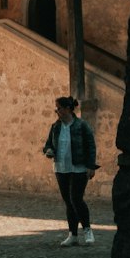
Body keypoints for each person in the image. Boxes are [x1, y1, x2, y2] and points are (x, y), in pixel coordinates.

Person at [42, 95, 99, 246]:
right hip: (61, 167)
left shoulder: (81, 125)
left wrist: (91, 166)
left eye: (59, 108)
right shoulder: (56, 127)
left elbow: (91, 146)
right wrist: (49, 150)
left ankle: (87, 230)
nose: (57, 111)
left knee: (76, 199)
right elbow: (48, 144)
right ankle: (72, 235)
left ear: (67, 109)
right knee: (68, 201)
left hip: (79, 167)